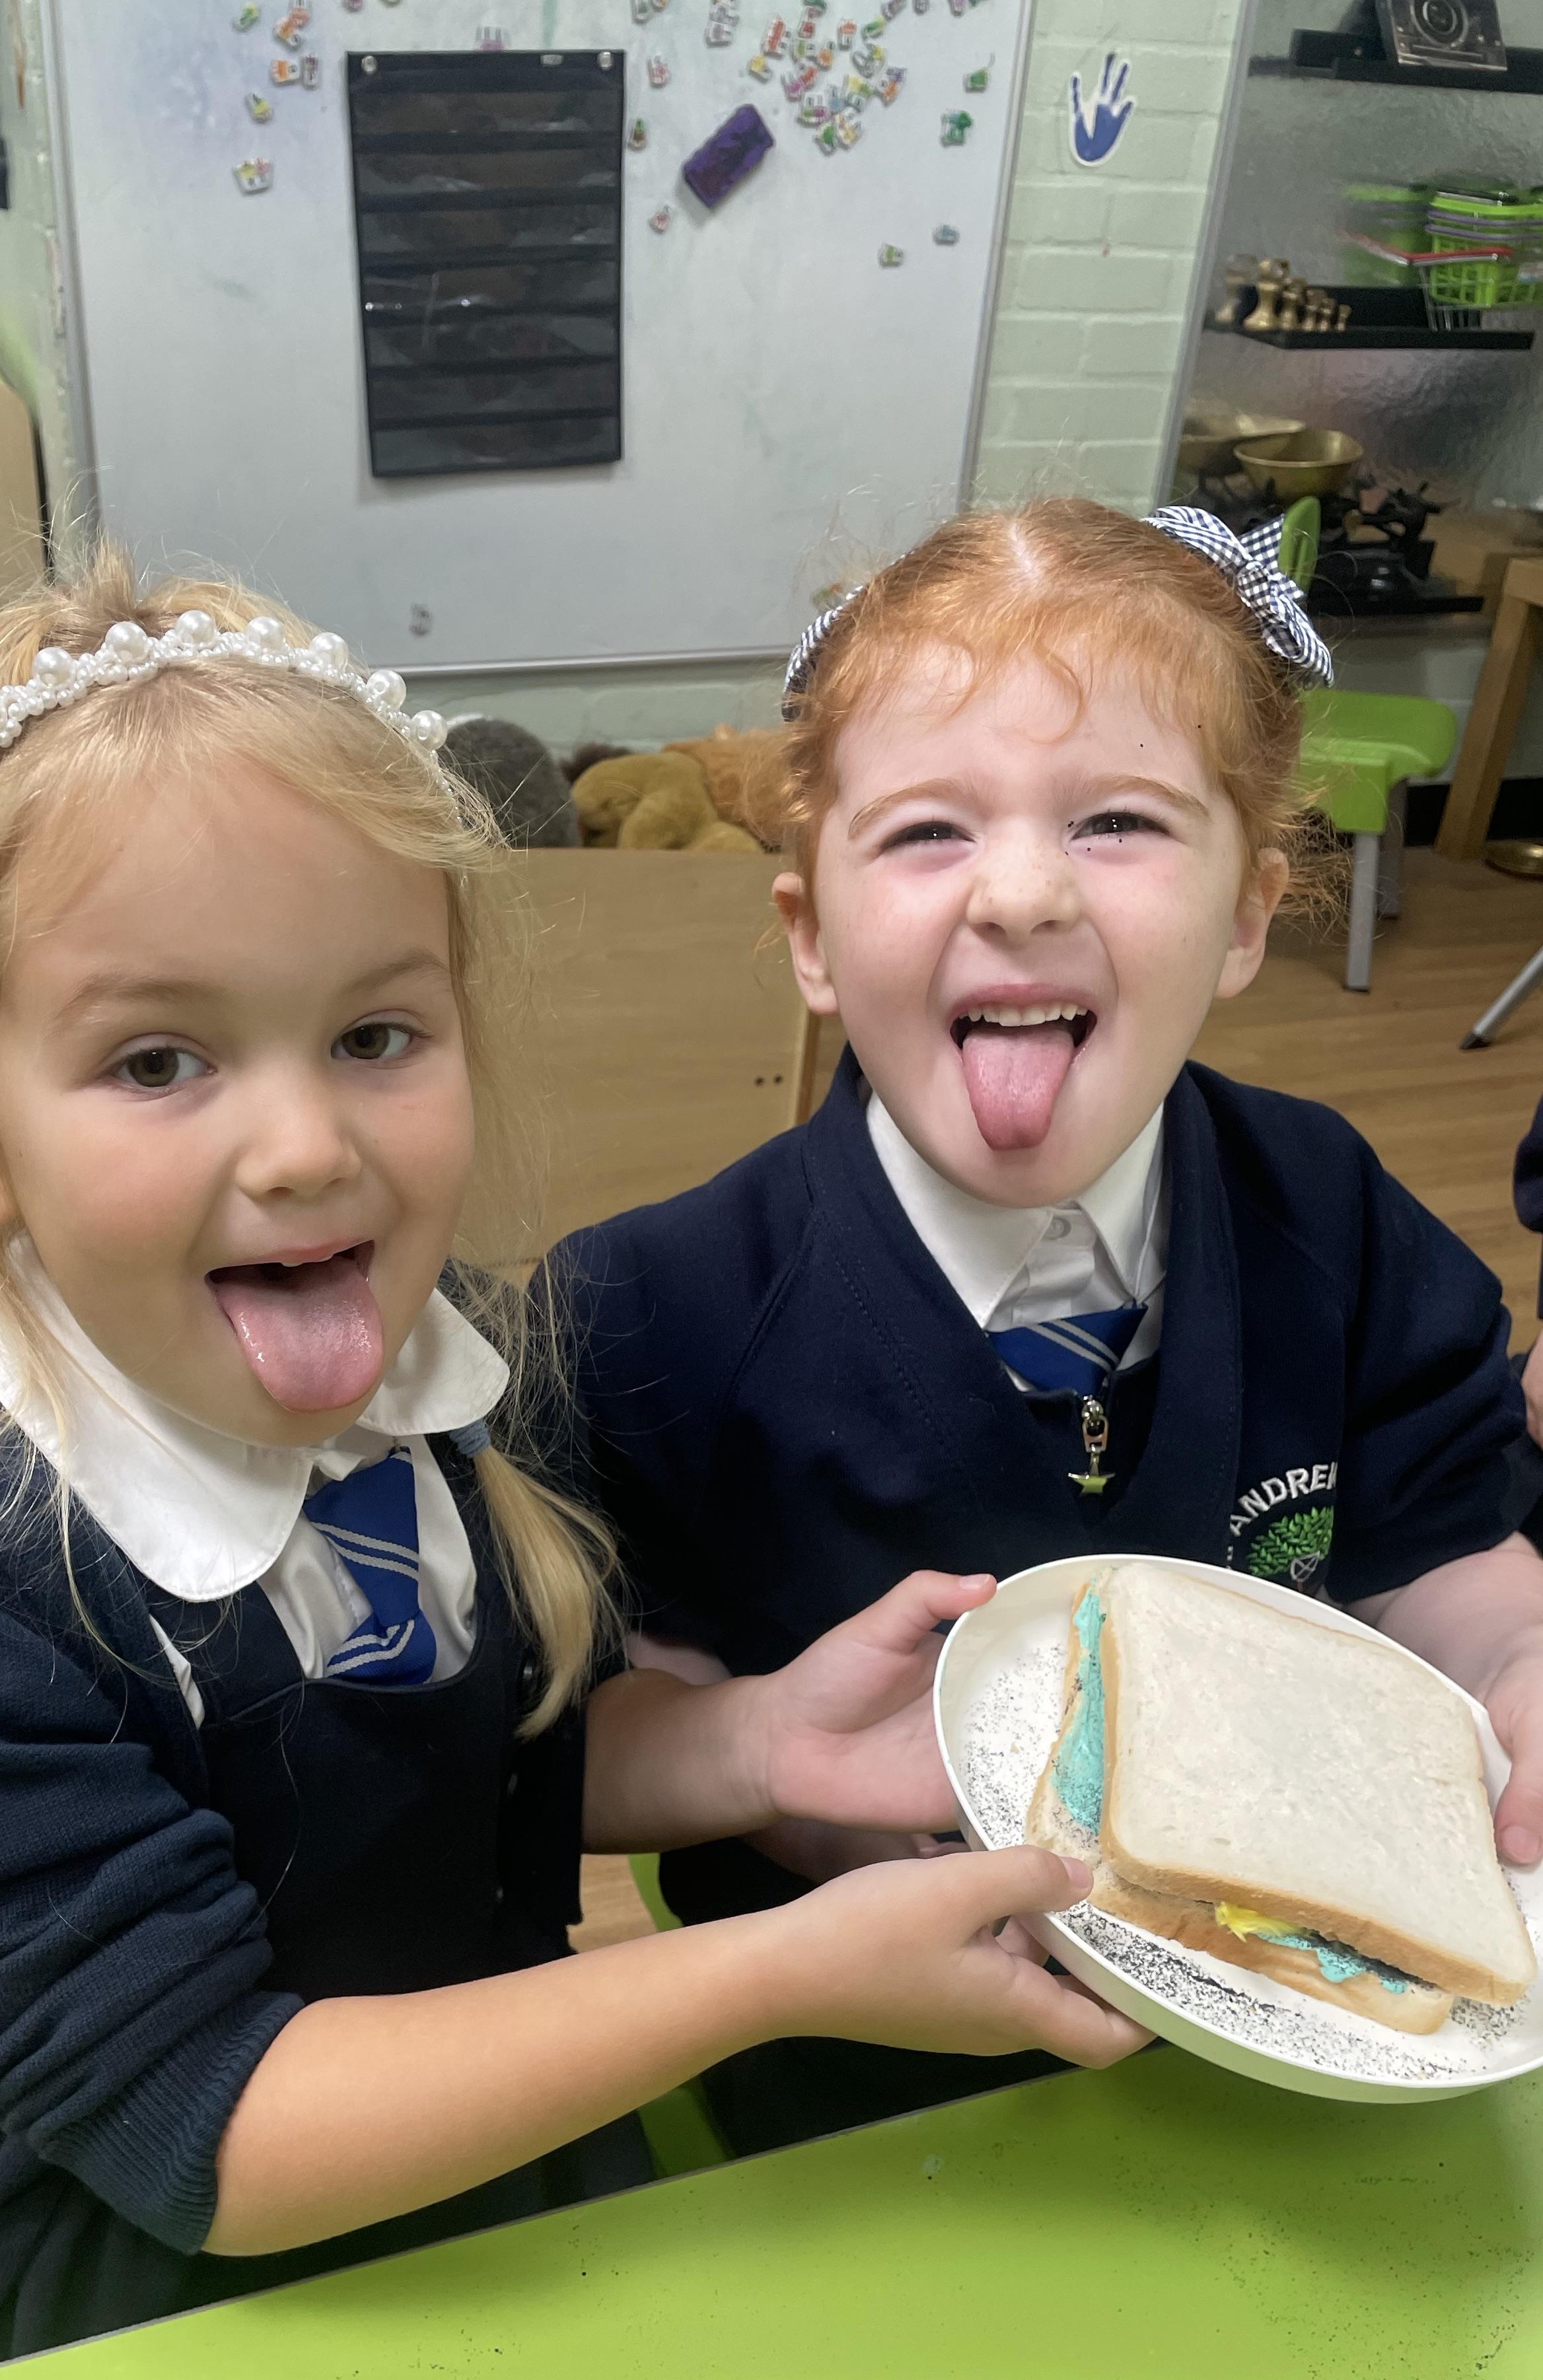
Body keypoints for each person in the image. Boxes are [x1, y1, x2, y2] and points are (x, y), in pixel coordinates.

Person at [0, 551, 1145, 2380]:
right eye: (158, 1061)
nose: (304, 1147)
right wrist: (778, 1972)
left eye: (376, 1037)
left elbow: (455, 1767)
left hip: (492, 2215)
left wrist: (757, 1746)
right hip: (101, 2340)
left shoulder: (474, 1374)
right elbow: (204, 2128)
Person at [547, 498, 1543, 2156]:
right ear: (811, 936)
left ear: (1248, 916)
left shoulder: (1331, 1215)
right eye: (929, 832)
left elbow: (1441, 1549)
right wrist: (804, 1810)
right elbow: (595, 1732)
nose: (1018, 892)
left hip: (1306, 2081)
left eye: (1119, 823)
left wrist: (1517, 1662)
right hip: (849, 2101)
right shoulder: (648, 1312)